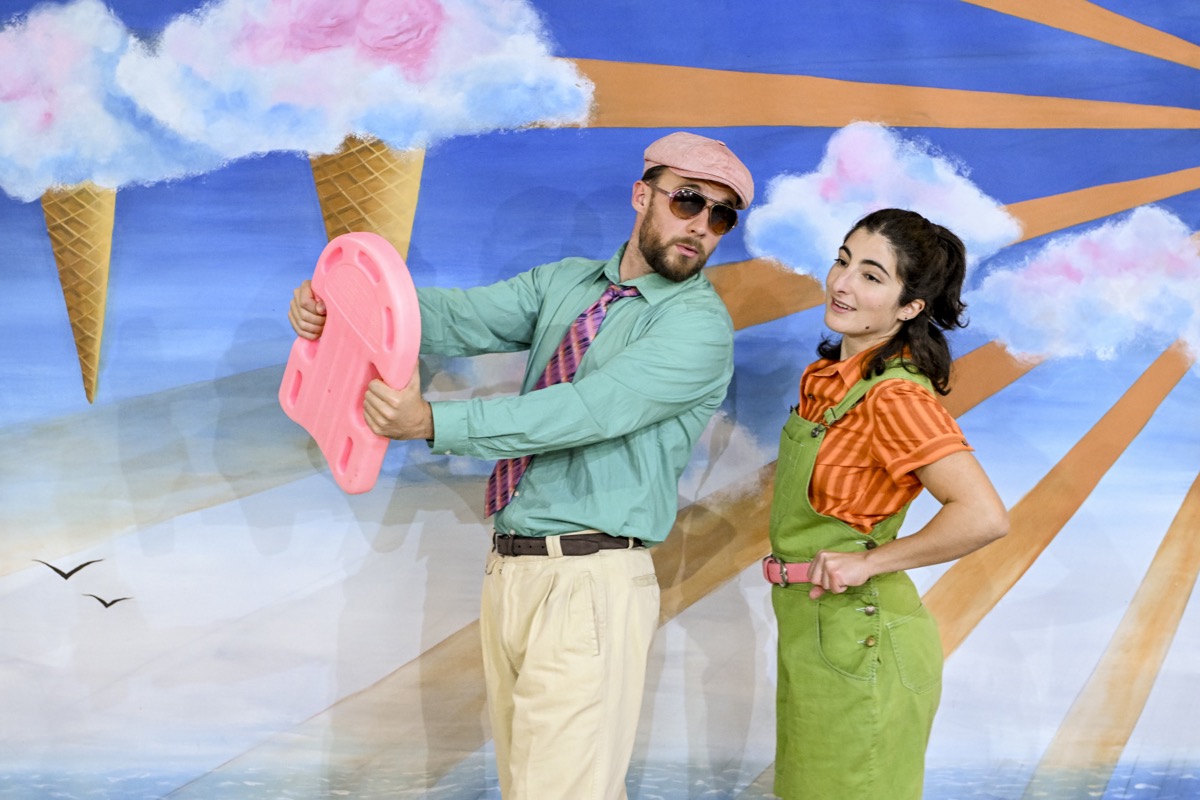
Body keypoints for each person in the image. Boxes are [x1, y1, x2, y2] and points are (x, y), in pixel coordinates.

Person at [289, 132, 754, 799]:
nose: (702, 225)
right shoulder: (566, 284)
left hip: (590, 582)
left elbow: (581, 412)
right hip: (512, 569)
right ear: (642, 194)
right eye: (688, 201)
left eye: (722, 215)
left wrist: (434, 422)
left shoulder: (698, 328)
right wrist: (339, 304)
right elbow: (455, 318)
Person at [762, 208, 1009, 799]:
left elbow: (983, 515)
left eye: (872, 276)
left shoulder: (894, 395)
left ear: (910, 307)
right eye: (843, 261)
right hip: (815, 629)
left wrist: (869, 562)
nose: (842, 283)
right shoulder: (830, 381)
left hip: (860, 637)